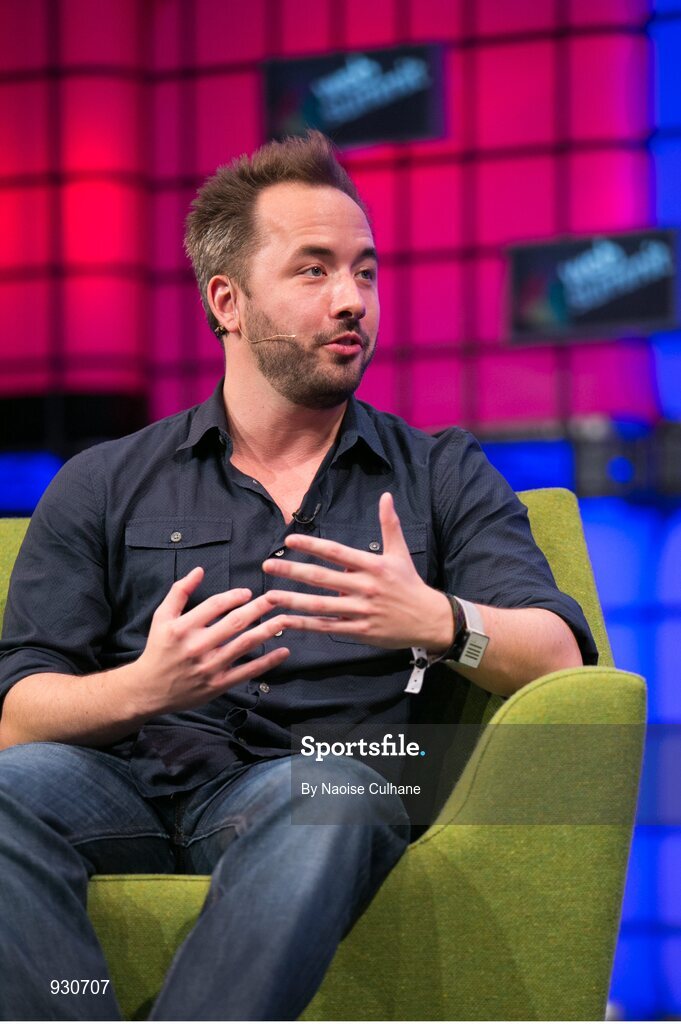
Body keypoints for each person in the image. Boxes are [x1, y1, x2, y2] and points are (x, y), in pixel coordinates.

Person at [0, 131, 596, 1021]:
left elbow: (559, 659)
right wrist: (143, 687)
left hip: (322, 786)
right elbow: (15, 714)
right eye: (313, 271)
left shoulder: (438, 474)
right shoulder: (106, 481)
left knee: (339, 791)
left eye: (365, 272)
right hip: (127, 788)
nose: (352, 300)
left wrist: (439, 620)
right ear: (227, 302)